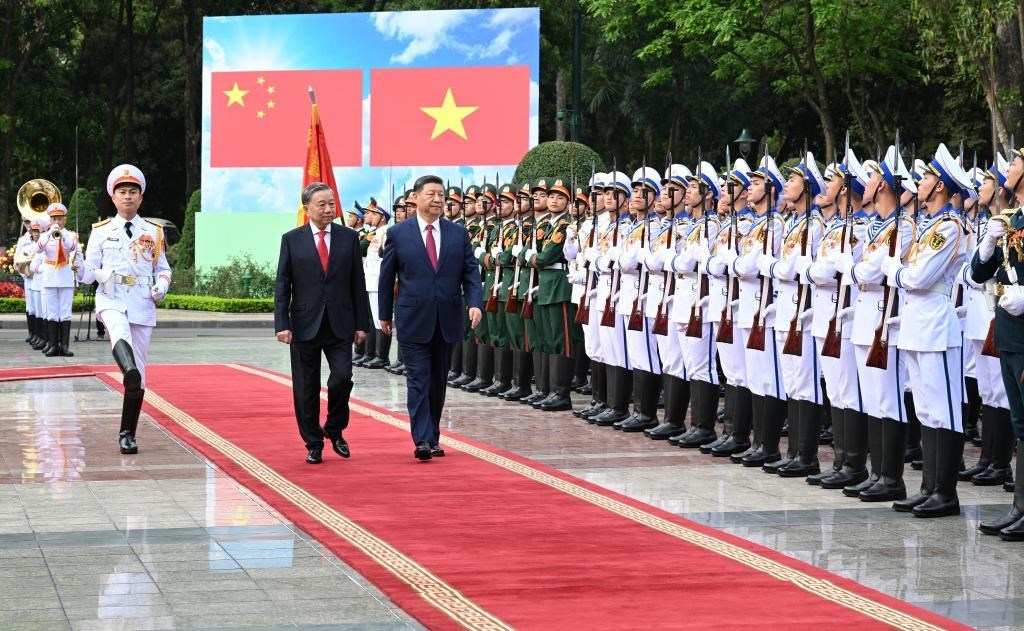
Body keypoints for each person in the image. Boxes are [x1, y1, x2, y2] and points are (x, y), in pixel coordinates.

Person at [378, 174, 483, 461]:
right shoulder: (398, 233)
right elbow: (387, 278)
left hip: (447, 318)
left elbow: (470, 272)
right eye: (431, 194)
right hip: (413, 318)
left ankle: (433, 436)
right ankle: (422, 439)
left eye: (441, 195)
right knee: (418, 379)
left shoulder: (457, 233)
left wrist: (475, 303)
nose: (438, 199)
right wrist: (384, 314)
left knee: (437, 381)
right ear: (415, 197)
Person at [274, 181, 371, 465]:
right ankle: (313, 442)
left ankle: (334, 428)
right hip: (304, 324)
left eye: (332, 203)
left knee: (342, 378)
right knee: (306, 387)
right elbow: (283, 284)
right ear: (307, 209)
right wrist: (282, 323)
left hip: (340, 323)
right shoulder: (292, 239)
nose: (329, 209)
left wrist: (362, 323)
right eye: (322, 204)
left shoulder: (348, 238)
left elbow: (357, 283)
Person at [78, 164, 172, 454]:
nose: (127, 196)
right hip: (111, 297)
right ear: (113, 197)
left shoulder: (153, 231)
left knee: (139, 377)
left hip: (142, 301)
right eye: (122, 192)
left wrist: (162, 285)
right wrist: (77, 265)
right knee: (118, 332)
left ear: (140, 197)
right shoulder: (101, 231)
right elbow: (88, 273)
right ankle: (127, 368)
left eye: (133, 192)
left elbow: (163, 268)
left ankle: (127, 433)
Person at [37, 203, 80, 357]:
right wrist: (49, 234)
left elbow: (74, 248)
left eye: (60, 219)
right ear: (50, 220)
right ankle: (53, 345)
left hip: (65, 276)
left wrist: (63, 236)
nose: (57, 222)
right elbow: (38, 249)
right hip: (50, 277)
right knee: (52, 313)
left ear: (64, 220)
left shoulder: (70, 235)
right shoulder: (45, 236)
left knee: (65, 312)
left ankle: (64, 346)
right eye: (54, 219)